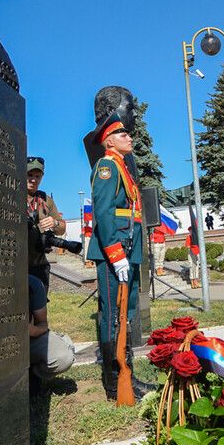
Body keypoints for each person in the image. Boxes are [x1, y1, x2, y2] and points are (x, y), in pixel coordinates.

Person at [85, 118, 149, 401]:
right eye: (123, 133)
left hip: (127, 248)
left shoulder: (122, 166)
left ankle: (128, 375)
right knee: (113, 315)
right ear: (109, 140)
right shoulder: (107, 167)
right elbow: (104, 210)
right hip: (116, 251)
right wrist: (115, 253)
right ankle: (115, 383)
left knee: (127, 312)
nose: (129, 136)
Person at [28, 274, 74, 393]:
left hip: (27, 340)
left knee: (64, 357)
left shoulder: (33, 284)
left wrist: (33, 330)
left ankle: (32, 374)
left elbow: (43, 324)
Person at [26, 156, 66, 292]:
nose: (33, 180)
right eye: (29, 175)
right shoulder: (12, 195)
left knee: (39, 308)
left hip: (39, 264)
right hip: (17, 264)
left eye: (38, 176)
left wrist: (54, 223)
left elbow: (61, 229)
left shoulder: (46, 200)